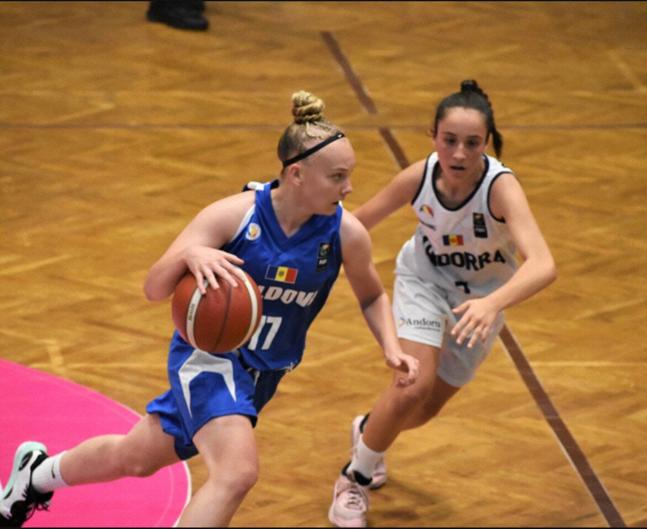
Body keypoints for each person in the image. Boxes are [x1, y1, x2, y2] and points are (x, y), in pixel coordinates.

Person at [0, 91, 420, 527]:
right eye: (337, 177)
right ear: (297, 174)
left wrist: (391, 348)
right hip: (208, 360)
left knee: (136, 456)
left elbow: (371, 295)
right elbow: (153, 288)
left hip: (262, 375)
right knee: (236, 474)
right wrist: (190, 255)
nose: (348, 188)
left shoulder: (346, 234)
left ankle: (35, 476)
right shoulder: (233, 216)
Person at [328, 80, 557, 528]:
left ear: (486, 144)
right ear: (433, 136)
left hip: (479, 304)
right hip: (424, 281)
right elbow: (356, 223)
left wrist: (492, 304)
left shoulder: (500, 188)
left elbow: (544, 264)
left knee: (423, 409)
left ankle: (369, 430)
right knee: (412, 384)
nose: (459, 153)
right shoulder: (419, 177)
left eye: (472, 143)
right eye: (449, 140)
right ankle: (353, 479)